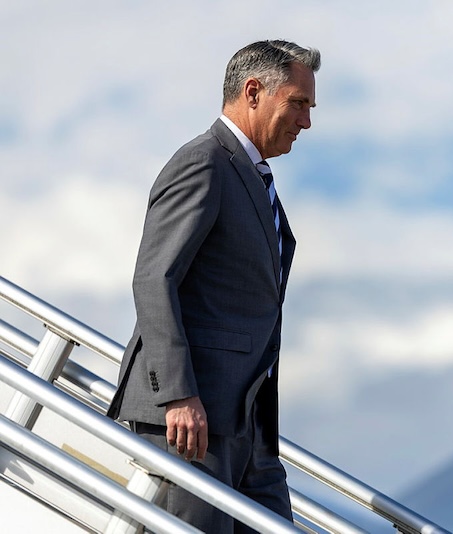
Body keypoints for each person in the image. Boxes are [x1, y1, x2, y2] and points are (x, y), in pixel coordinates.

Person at [107, 40, 319, 532]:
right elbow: (155, 277)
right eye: (298, 103)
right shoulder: (204, 162)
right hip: (192, 420)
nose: (306, 122)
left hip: (248, 424)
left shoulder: (251, 175)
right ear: (252, 92)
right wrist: (178, 395)